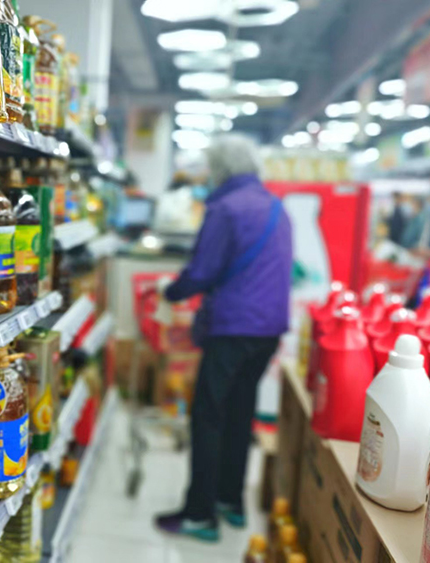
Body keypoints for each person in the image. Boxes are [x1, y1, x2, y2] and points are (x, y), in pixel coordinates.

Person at [154, 135, 292, 542]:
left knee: (208, 415)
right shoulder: (276, 206)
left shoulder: (225, 208)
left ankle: (199, 514)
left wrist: (169, 291)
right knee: (239, 411)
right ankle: (230, 500)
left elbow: (202, 271)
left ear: (220, 168)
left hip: (234, 327)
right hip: (269, 329)